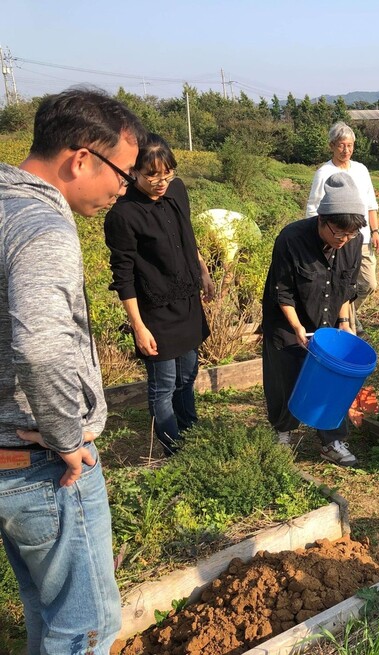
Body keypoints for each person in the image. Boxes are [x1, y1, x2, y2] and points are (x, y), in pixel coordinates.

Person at [0, 88, 145, 654]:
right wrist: (63, 437)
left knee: (46, 608)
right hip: (42, 466)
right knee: (85, 623)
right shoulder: (43, 228)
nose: (122, 188)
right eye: (122, 172)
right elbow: (40, 347)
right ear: (81, 157)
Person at [104, 134, 214, 457]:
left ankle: (190, 435)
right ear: (134, 172)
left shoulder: (177, 190)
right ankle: (173, 449)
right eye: (152, 176)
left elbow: (187, 235)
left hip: (187, 301)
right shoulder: (123, 216)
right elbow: (123, 276)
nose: (160, 182)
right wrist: (138, 326)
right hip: (155, 311)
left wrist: (204, 272)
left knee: (188, 375)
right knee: (164, 383)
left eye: (166, 174)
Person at [263, 172, 366, 465]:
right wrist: (297, 328)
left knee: (332, 379)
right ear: (321, 219)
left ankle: (331, 441)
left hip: (329, 319)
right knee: (286, 374)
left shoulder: (352, 242)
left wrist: (345, 325)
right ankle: (282, 433)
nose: (344, 241)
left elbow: (347, 287)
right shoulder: (291, 239)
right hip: (287, 320)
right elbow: (282, 291)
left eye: (350, 235)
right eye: (338, 234)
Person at [306, 122, 379, 336]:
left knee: (367, 283)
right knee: (341, 282)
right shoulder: (324, 172)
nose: (346, 150)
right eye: (341, 145)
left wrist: (374, 231)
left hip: (361, 237)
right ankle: (350, 325)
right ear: (332, 146)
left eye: (350, 145)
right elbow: (314, 207)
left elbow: (370, 203)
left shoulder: (361, 170)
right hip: (335, 237)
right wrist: (321, 237)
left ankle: (342, 316)